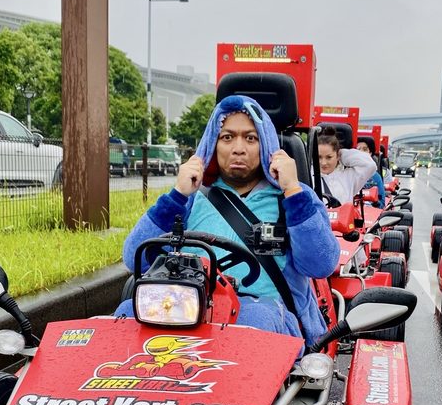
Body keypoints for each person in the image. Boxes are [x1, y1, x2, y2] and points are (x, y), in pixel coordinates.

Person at [115, 95, 340, 347]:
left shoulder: (294, 197)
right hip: (190, 308)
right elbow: (134, 257)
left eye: (251, 138)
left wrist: (292, 190)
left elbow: (321, 265)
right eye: (227, 137)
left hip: (267, 314)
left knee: (253, 320)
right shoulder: (189, 197)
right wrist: (176, 196)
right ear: (213, 144)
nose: (238, 148)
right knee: (126, 314)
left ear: (266, 145)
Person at [318, 129, 376, 205]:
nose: (323, 163)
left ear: (338, 155)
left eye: (329, 157)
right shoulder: (307, 176)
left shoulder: (349, 176)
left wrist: (342, 154)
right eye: (319, 157)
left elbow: (370, 165)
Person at [357, 139, 386, 206]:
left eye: (364, 149)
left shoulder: (375, 177)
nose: (361, 152)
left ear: (370, 153)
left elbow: (381, 203)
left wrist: (374, 203)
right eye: (358, 149)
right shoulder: (347, 174)